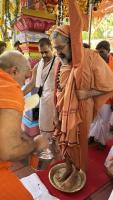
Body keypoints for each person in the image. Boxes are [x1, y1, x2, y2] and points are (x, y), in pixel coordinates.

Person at [51, 0, 113, 190]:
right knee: (64, 143)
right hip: (62, 110)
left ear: (72, 43)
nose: (58, 52)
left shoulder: (91, 57)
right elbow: (58, 89)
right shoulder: (60, 62)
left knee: (78, 143)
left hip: (80, 112)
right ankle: (69, 167)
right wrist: (55, 111)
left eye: (61, 47)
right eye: (55, 48)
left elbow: (110, 84)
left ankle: (79, 171)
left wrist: (89, 92)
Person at [0, 50, 48, 200]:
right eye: (25, 76)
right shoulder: (9, 88)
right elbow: (8, 152)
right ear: (13, 71)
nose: (25, 81)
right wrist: (35, 144)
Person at [24, 38, 60, 142]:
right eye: (41, 53)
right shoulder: (37, 66)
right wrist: (18, 94)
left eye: (46, 52)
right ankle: (47, 150)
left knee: (57, 129)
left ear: (52, 48)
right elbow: (31, 84)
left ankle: (57, 151)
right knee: (44, 128)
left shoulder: (59, 62)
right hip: (45, 100)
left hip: (58, 100)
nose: (44, 55)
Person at [89, 41, 113, 148]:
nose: (100, 54)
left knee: (104, 121)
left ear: (108, 51)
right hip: (95, 96)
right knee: (95, 119)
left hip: (108, 99)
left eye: (102, 52)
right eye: (98, 52)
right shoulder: (96, 62)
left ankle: (102, 142)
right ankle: (93, 136)